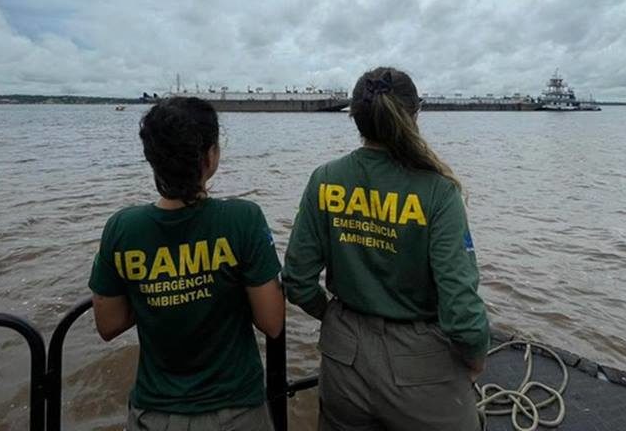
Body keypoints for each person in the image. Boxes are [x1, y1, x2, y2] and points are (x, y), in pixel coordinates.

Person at [283, 67, 490, 431]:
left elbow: (297, 279)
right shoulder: (438, 191)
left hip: (343, 361)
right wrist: (474, 355)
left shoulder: (325, 179)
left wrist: (333, 317)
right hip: (420, 365)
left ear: (355, 119)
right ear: (413, 115)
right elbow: (460, 305)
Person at [89, 97, 284, 431]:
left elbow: (108, 324)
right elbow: (272, 322)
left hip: (155, 415)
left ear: (152, 159)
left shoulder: (122, 227)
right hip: (237, 411)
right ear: (209, 157)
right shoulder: (243, 219)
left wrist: (157, 291)